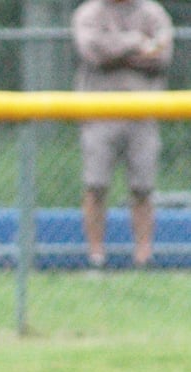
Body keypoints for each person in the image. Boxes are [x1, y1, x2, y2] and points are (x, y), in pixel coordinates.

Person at [72, 0, 173, 268]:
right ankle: (96, 258)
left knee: (143, 189)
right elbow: (93, 52)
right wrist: (137, 43)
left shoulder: (152, 12)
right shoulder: (89, 13)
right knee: (96, 186)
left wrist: (115, 49)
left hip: (143, 113)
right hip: (99, 113)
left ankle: (143, 258)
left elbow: (161, 56)